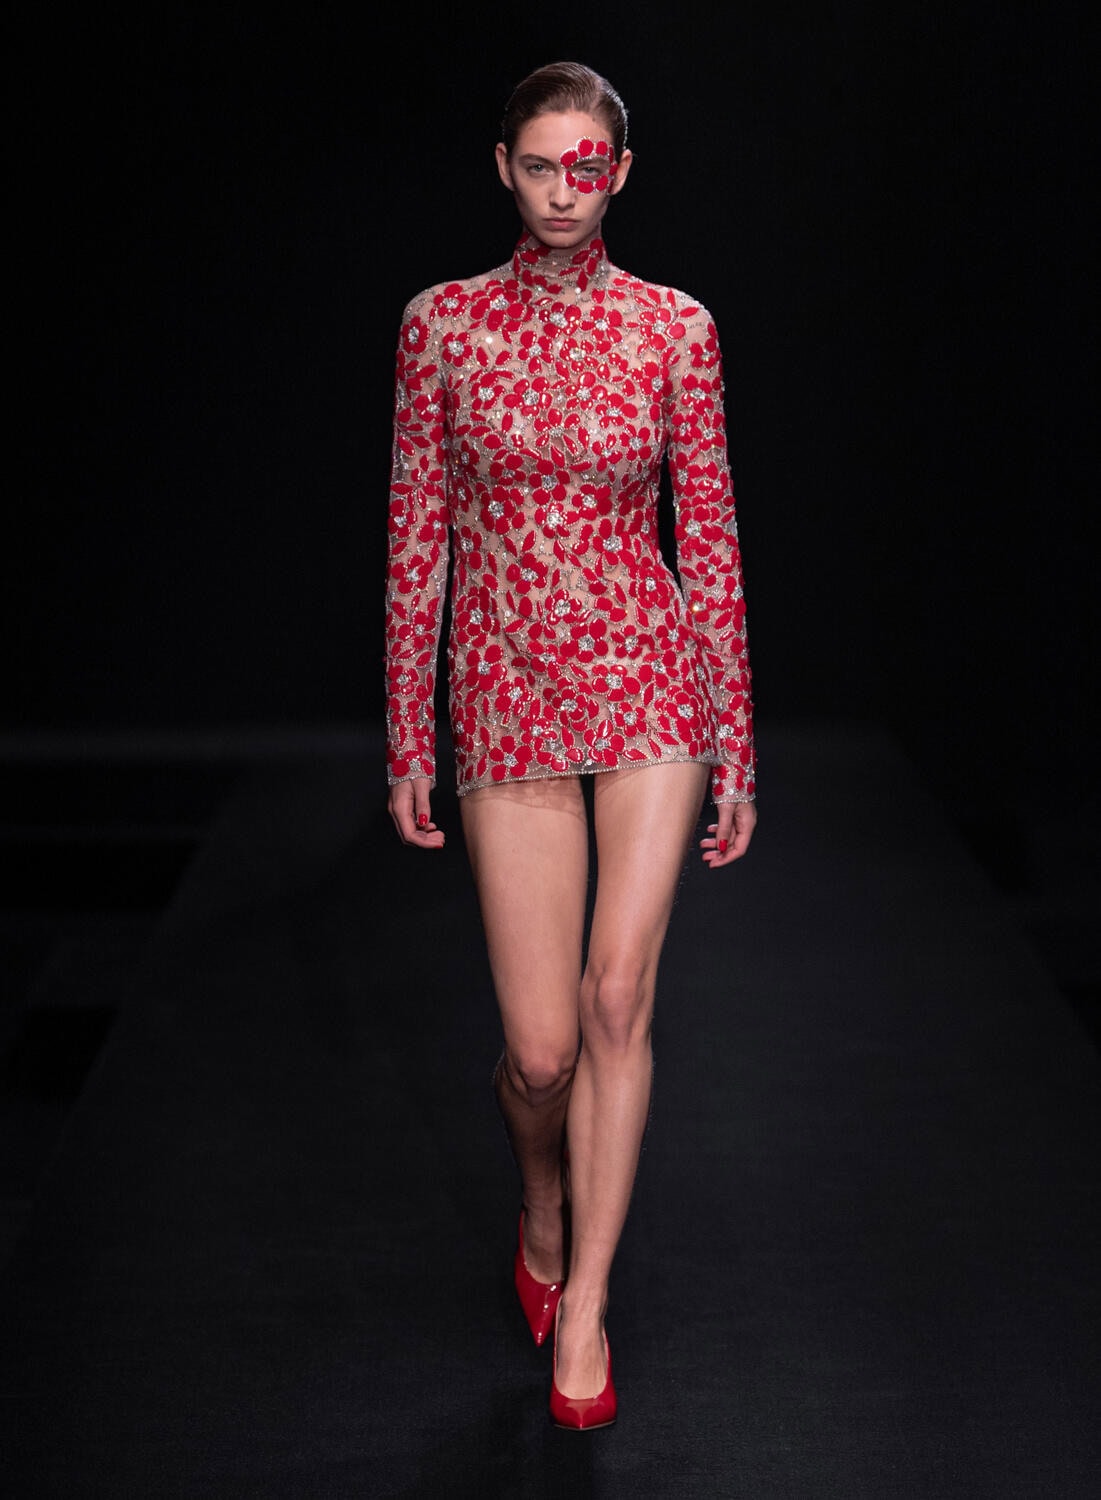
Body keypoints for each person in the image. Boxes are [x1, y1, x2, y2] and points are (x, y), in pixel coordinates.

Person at [385, 60, 755, 1430]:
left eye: (585, 166)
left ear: (621, 172)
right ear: (503, 169)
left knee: (615, 1003)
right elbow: (415, 534)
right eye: (539, 165)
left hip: (650, 684)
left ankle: (586, 1300)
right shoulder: (442, 326)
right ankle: (540, 1193)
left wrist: (737, 740)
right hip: (503, 687)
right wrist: (406, 728)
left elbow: (708, 541)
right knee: (540, 1054)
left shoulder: (674, 328)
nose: (561, 191)